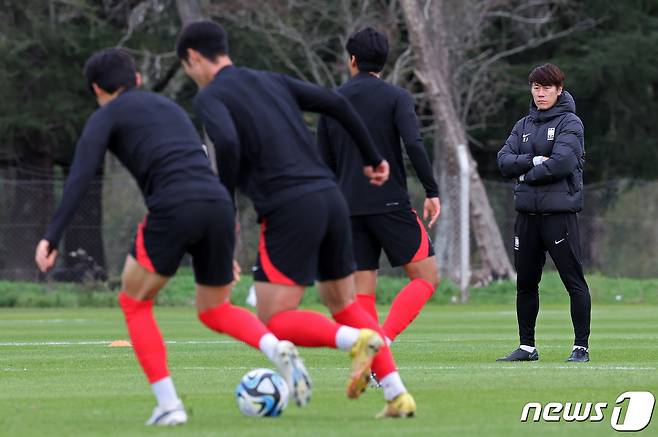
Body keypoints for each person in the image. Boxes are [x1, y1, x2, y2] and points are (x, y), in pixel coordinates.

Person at [34, 48, 312, 426]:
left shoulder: (108, 115)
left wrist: (52, 236)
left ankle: (169, 405)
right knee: (215, 308)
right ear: (137, 78)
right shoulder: (171, 109)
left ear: (97, 89)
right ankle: (275, 346)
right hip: (215, 202)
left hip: (173, 204)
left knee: (134, 302)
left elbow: (81, 175)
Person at [176, 20, 416, 418]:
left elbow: (229, 143)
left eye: (188, 68)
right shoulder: (271, 80)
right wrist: (374, 158)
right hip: (330, 198)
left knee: (274, 318)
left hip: (289, 207)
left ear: (195, 58)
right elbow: (338, 104)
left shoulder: (210, 97)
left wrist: (226, 205)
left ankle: (356, 341)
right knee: (341, 301)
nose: (192, 75)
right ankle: (396, 394)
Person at [317, 27, 440, 351]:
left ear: (352, 59)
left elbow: (322, 162)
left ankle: (372, 357)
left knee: (362, 291)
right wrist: (431, 190)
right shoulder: (396, 97)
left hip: (346, 207)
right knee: (426, 277)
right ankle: (382, 340)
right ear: (383, 62)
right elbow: (413, 143)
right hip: (390, 203)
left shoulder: (332, 101)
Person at [496, 63, 591, 363]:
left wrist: (525, 175)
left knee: (572, 281)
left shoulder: (570, 123)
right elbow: (503, 160)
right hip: (526, 217)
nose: (540, 93)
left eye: (547, 87)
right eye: (536, 87)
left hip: (558, 217)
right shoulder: (523, 124)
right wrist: (535, 160)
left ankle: (580, 347)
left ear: (559, 89)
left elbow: (562, 163)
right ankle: (527, 346)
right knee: (525, 283)